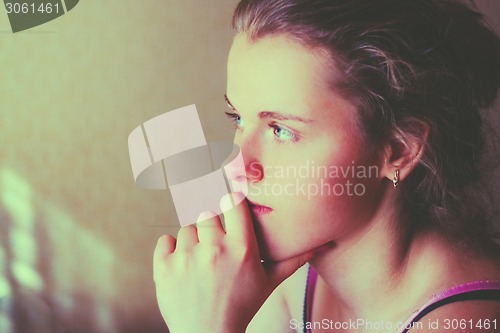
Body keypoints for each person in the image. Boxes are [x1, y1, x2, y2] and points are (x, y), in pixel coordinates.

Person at [153, 0, 500, 332]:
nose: (236, 167)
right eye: (238, 118)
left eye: (282, 130)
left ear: (398, 151)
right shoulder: (293, 275)